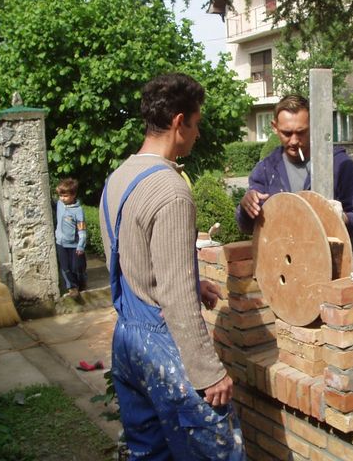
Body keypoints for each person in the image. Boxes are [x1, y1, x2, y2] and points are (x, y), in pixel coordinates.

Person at [99, 73, 245, 460]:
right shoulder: (171, 189)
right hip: (164, 348)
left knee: (150, 454)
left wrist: (192, 284)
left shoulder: (118, 177)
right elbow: (176, 300)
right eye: (196, 124)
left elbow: (131, 260)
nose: (198, 134)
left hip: (127, 342)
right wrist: (207, 371)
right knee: (219, 451)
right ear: (179, 122)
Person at [236, 94, 353, 244]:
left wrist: (343, 218)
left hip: (328, 257)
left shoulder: (338, 164)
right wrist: (246, 208)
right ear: (275, 127)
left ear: (312, 126)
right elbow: (248, 227)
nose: (294, 141)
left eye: (301, 132)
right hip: (282, 256)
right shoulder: (266, 169)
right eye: (287, 133)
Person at [55, 177, 87, 298]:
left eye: (65, 196)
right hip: (60, 243)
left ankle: (81, 282)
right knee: (65, 267)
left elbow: (82, 229)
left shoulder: (78, 211)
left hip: (74, 244)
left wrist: (81, 245)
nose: (62, 198)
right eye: (60, 196)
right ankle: (72, 287)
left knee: (77, 267)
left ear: (73, 195)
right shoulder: (59, 204)